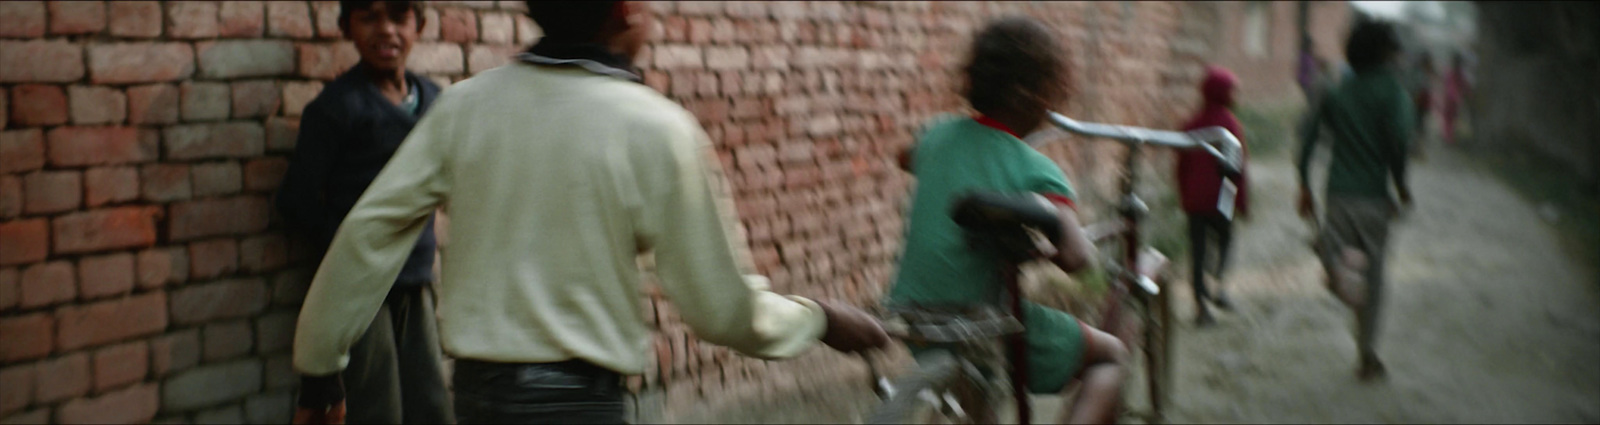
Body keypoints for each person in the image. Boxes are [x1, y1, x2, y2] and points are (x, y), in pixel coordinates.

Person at [289, 2, 890, 424]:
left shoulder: (465, 106)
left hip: (476, 399)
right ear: (625, 11)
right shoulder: (656, 128)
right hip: (579, 407)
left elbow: (368, 234)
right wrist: (819, 320)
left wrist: (319, 369)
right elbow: (723, 311)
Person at [888, 17, 1129, 424]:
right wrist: (1050, 238)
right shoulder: (1037, 169)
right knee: (1112, 357)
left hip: (912, 310)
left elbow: (904, 157)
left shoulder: (936, 133)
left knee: (977, 405)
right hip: (981, 318)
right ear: (1034, 96)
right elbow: (1077, 260)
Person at [275, 1, 452, 423]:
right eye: (369, 17)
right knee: (376, 406)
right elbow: (295, 201)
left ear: (420, 25)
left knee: (430, 403)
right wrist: (349, 253)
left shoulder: (434, 102)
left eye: (398, 17)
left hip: (414, 279)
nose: (385, 30)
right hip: (359, 291)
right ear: (345, 28)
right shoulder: (338, 108)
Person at [1296, 19, 1414, 382]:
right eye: (1394, 51)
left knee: (1347, 268)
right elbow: (1397, 144)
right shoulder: (1393, 92)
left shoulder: (1337, 92)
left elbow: (1308, 139)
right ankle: (1367, 357)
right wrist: (1401, 187)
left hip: (1337, 195)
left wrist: (1303, 185)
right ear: (1384, 54)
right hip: (1373, 199)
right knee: (1373, 279)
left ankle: (1331, 258)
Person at [1175, 65, 1249, 326]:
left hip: (1195, 201)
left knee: (1197, 251)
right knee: (1225, 241)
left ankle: (1201, 308)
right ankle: (1220, 286)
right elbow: (1238, 168)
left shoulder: (1191, 124)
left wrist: (1184, 196)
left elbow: (1181, 167)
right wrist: (1242, 203)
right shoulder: (1230, 125)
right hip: (1222, 200)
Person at [1408, 52, 1436, 158]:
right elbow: (1417, 90)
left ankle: (1416, 149)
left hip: (1422, 105)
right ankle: (1414, 149)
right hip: (1418, 105)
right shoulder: (1419, 74)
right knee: (1417, 127)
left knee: (1419, 127)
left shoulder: (1423, 73)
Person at [1441, 51, 1472, 146]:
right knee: (1453, 118)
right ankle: (1449, 137)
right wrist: (1468, 94)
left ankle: (1447, 136)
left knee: (1447, 118)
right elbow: (1465, 86)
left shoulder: (1449, 71)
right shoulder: (1461, 74)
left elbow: (1445, 83)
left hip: (1449, 97)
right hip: (1457, 99)